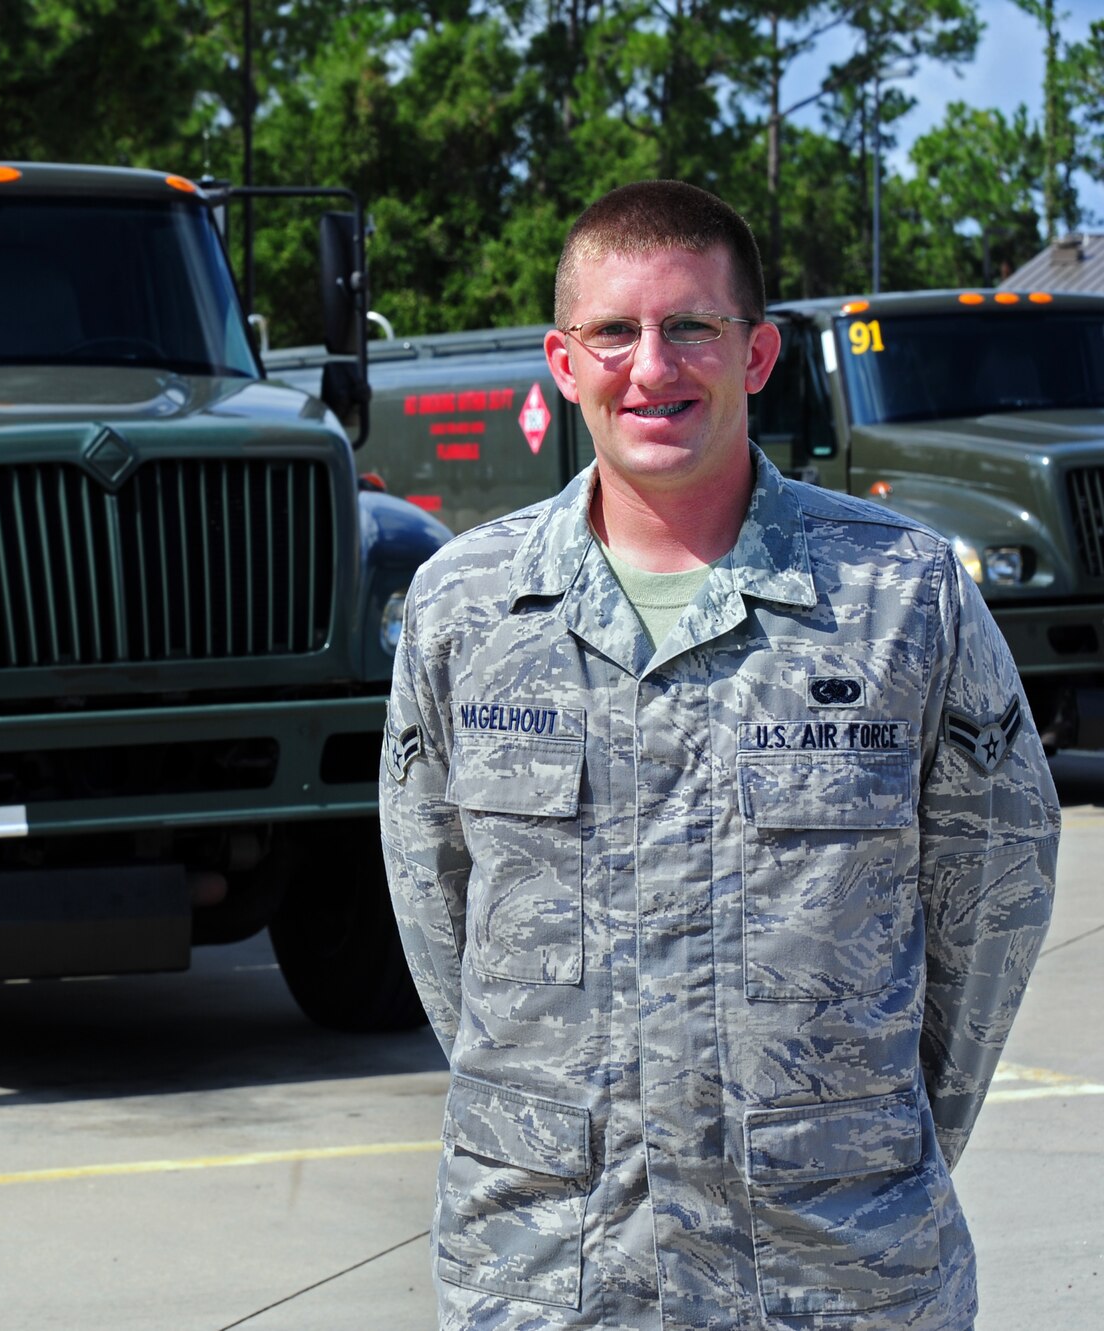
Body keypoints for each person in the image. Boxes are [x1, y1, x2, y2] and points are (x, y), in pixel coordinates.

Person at [379, 179, 1058, 1330]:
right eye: (614, 331)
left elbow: (992, 893)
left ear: (755, 354)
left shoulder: (901, 595)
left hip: (833, 1271)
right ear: (560, 358)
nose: (651, 366)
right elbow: (434, 902)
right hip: (549, 1269)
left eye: (690, 325)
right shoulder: (466, 608)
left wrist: (863, 1127)